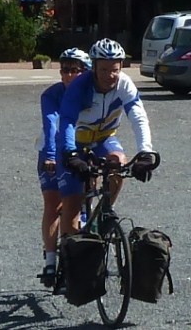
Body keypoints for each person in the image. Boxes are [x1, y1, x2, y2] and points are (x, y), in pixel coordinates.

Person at [57, 38, 157, 238]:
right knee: (72, 205)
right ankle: (71, 253)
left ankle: (102, 213)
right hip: (76, 142)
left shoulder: (124, 84)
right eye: (103, 70)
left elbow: (138, 117)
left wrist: (145, 152)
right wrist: (70, 153)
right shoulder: (80, 86)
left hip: (104, 139)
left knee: (119, 163)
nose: (110, 75)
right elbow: (67, 120)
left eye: (114, 70)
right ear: (93, 67)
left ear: (121, 67)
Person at [35, 48, 91, 286]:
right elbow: (51, 125)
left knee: (82, 198)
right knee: (53, 203)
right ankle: (50, 261)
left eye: (73, 70)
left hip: (82, 148)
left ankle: (84, 233)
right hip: (52, 150)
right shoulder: (52, 94)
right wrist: (50, 156)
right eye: (64, 70)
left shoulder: (92, 93)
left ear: (85, 72)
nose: (67, 75)